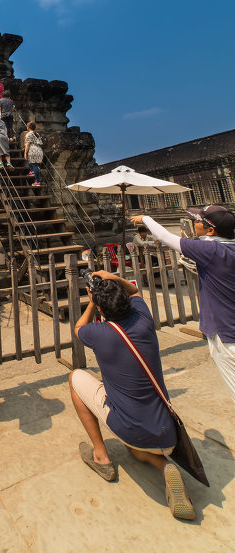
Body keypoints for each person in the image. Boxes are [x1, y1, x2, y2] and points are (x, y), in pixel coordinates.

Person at [70, 270, 194, 520]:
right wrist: (111, 277)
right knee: (136, 448)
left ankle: (101, 457)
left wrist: (93, 301)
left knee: (75, 378)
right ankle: (165, 466)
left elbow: (78, 327)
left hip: (129, 427)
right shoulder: (143, 319)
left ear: (102, 310)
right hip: (166, 431)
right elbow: (135, 291)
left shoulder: (98, 334)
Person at [131, 207, 235, 403]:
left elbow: (164, 236)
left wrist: (145, 218)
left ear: (210, 230)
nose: (193, 223)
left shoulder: (210, 251)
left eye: (197, 221)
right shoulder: (225, 249)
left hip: (227, 336)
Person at [24, 121, 43, 186]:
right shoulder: (36, 133)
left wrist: (25, 153)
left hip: (32, 150)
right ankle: (32, 171)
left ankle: (37, 181)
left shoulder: (28, 134)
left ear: (28, 127)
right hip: (39, 150)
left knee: (34, 165)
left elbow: (27, 145)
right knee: (32, 163)